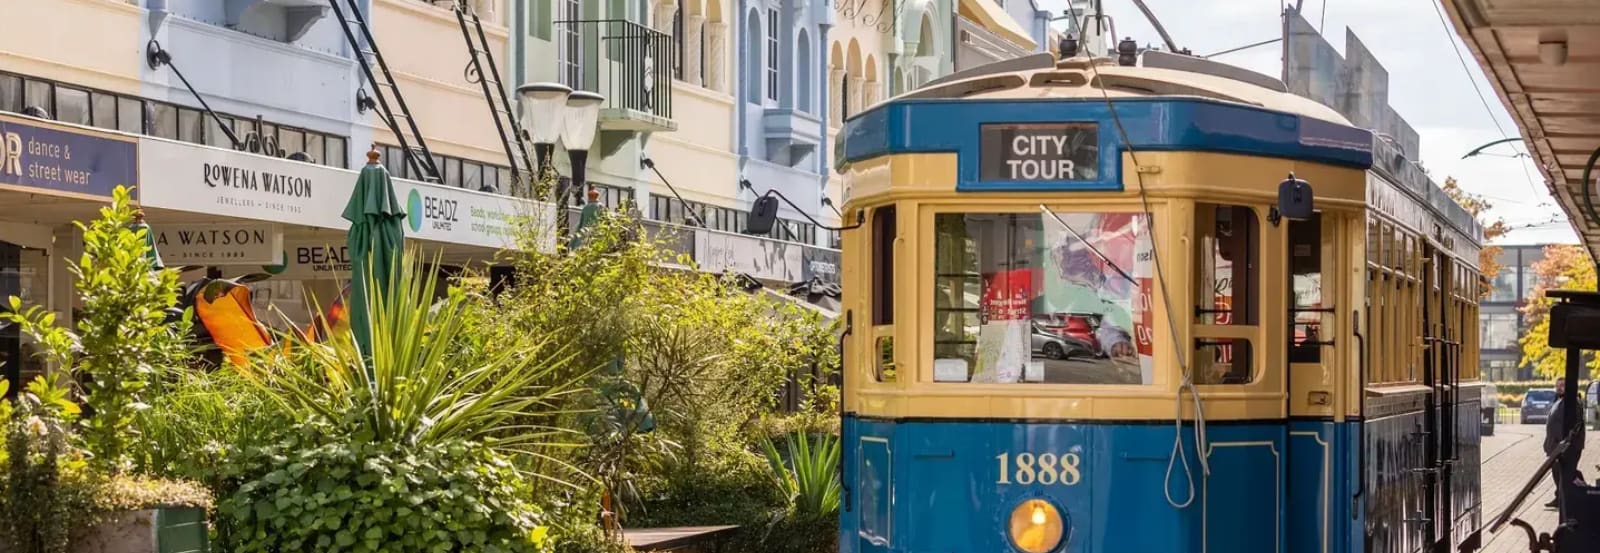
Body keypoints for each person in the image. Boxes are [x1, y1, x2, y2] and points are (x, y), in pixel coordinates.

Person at [1545, 378, 1587, 508]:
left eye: (1562, 385)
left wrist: (1564, 442)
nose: (1559, 388)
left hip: (1568, 446)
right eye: (1557, 386)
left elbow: (1573, 425)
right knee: (1560, 471)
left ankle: (1582, 493)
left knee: (1567, 472)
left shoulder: (1573, 402)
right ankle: (1560, 497)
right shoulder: (1559, 400)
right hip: (1556, 446)